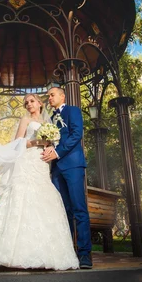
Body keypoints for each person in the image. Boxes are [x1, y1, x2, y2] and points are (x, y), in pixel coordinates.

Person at [0, 93, 79, 270]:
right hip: (27, 161)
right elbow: (18, 144)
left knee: (43, 199)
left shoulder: (51, 123)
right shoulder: (25, 120)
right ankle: (13, 254)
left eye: (32, 101)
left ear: (39, 103)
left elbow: (55, 143)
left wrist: (50, 146)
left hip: (42, 163)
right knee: (22, 196)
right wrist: (37, 141)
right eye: (26, 103)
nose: (29, 104)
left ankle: (45, 253)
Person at [41, 87, 92, 269]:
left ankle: (85, 254)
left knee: (79, 209)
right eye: (48, 96)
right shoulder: (49, 118)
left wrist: (57, 152)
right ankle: (67, 253)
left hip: (72, 164)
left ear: (62, 96)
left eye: (52, 95)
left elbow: (76, 134)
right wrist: (47, 148)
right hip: (56, 170)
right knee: (63, 212)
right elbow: (49, 139)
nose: (49, 98)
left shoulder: (73, 111)